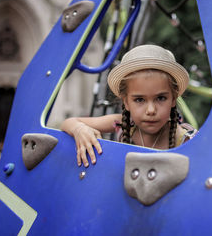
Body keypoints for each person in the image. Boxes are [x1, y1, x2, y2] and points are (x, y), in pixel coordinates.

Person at [61, 44, 197, 167]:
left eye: (160, 98)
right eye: (139, 100)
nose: (151, 110)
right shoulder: (122, 123)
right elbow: (69, 122)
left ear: (173, 99)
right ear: (126, 101)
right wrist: (80, 130)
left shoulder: (187, 140)